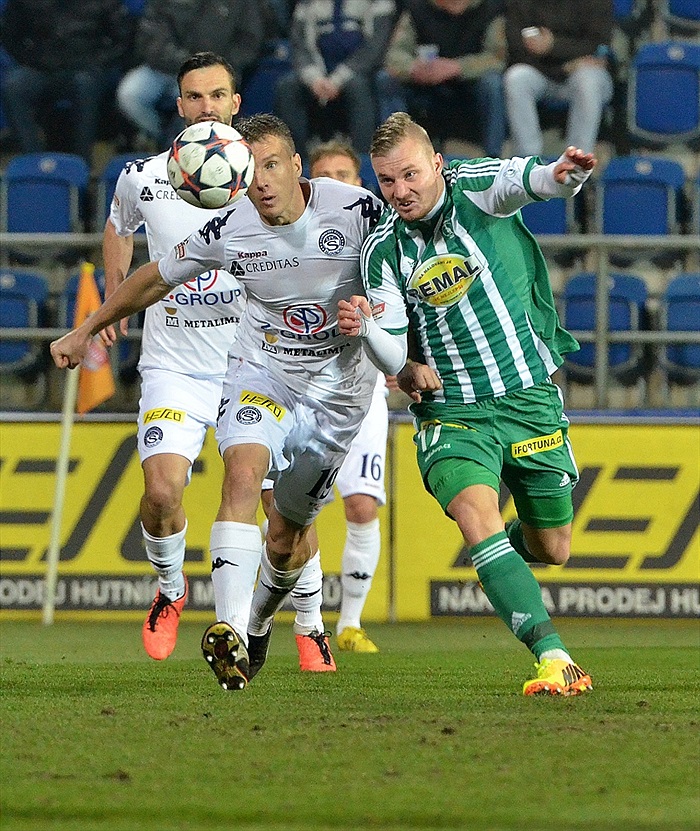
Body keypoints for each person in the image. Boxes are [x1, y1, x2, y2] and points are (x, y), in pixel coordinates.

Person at [51, 114, 384, 692]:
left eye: (274, 165)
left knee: (288, 527)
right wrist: (88, 328)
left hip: (335, 393)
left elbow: (415, 270)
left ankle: (264, 624)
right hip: (262, 372)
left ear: (297, 167)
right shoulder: (229, 227)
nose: (262, 181)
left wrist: (407, 350)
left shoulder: (358, 212)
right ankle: (226, 628)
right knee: (241, 475)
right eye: (252, 170)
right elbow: (154, 277)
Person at [338, 112, 594, 696]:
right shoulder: (383, 252)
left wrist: (566, 176)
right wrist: (384, 347)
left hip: (528, 399)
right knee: (476, 518)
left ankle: (509, 553)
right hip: (453, 411)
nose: (400, 191)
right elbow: (390, 344)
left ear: (436, 165)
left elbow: (530, 179)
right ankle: (553, 656)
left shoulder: (476, 187)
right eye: (386, 181)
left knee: (552, 548)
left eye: (409, 175)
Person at [103, 52, 246, 662]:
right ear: (179, 105)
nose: (206, 108)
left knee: (271, 502)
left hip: (252, 364)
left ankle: (287, 623)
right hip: (175, 368)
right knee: (162, 493)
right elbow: (118, 227)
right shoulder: (142, 176)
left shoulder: (264, 177)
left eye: (217, 96)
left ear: (235, 104)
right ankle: (169, 588)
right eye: (194, 97)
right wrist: (115, 301)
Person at [308, 140, 392, 652]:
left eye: (345, 173)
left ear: (359, 182)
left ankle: (350, 624)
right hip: (301, 388)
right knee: (298, 510)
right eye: (326, 175)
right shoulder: (288, 236)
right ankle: (309, 620)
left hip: (362, 385)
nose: (337, 182)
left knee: (361, 505)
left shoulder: (384, 236)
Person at [116, 0, 269, 149]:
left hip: (212, 74)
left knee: (199, 100)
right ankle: (163, 140)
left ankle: (196, 146)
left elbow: (249, 40)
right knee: (130, 94)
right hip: (165, 68)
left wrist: (220, 66)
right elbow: (152, 36)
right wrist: (185, 63)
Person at [0, 0, 130, 162]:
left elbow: (123, 39)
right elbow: (9, 35)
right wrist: (31, 59)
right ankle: (33, 161)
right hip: (40, 66)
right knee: (14, 87)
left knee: (85, 85)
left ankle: (81, 164)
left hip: (85, 66)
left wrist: (96, 62)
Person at [380, 0, 506, 157]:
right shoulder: (416, 9)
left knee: (492, 83)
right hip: (425, 83)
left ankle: (493, 158)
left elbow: (497, 58)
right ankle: (395, 153)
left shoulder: (490, 9)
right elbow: (394, 55)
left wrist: (457, 67)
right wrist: (413, 68)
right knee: (386, 79)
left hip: (470, 84)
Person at [274, 0, 397, 159]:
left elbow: (374, 49)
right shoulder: (306, 5)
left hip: (359, 72)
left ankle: (364, 161)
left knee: (358, 87)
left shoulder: (378, 3)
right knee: (287, 87)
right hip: (317, 76)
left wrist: (337, 80)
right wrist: (315, 79)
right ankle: (297, 161)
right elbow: (300, 48)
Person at [503, 0, 614, 156]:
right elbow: (515, 45)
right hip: (542, 71)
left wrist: (553, 46)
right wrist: (562, 66)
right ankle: (528, 163)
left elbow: (597, 45)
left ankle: (576, 164)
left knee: (587, 80)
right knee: (516, 77)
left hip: (584, 75)